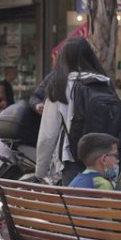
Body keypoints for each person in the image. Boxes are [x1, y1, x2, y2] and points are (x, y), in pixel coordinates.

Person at [36, 37, 112, 186]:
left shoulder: (61, 85)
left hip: (73, 159)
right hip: (105, 159)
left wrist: (40, 170)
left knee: (75, 206)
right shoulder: (104, 82)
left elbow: (48, 134)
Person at [60, 133, 121, 240]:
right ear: (104, 159)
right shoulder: (102, 184)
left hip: (70, 238)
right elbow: (109, 222)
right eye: (115, 156)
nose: (117, 161)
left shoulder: (75, 181)